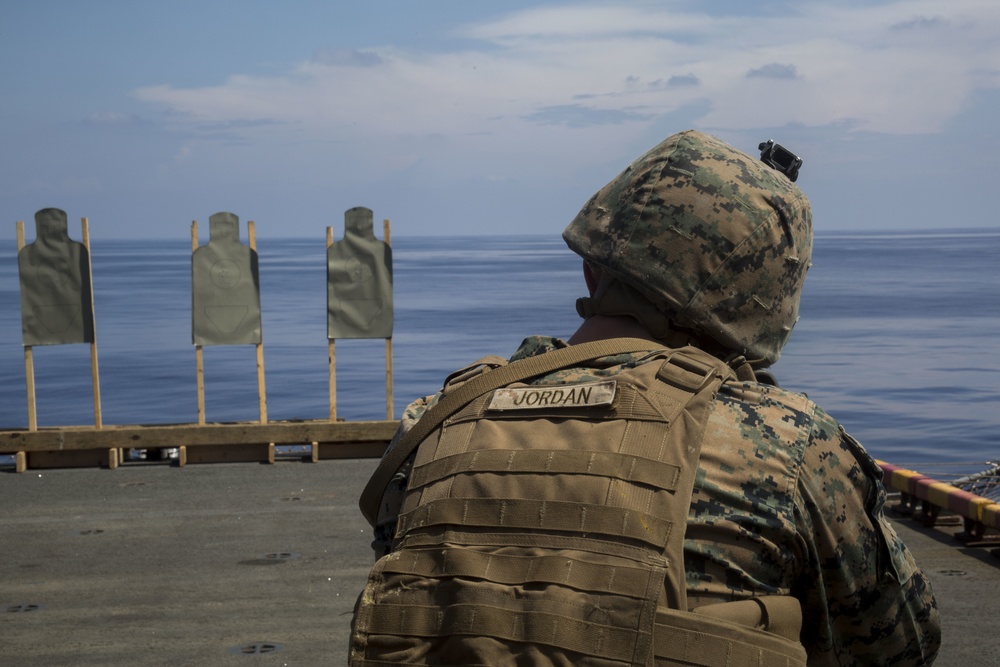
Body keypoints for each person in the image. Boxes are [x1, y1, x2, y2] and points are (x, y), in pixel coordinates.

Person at [351, 130, 940, 666]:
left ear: (592, 268)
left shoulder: (438, 421)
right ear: (763, 307)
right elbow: (897, 645)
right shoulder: (788, 446)